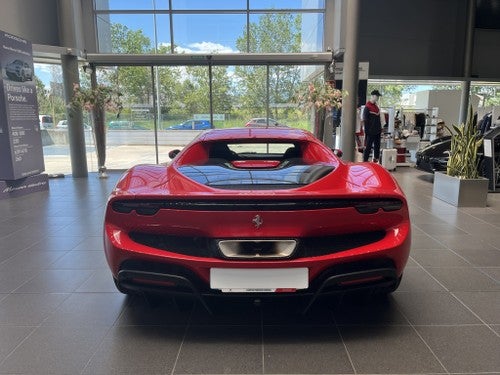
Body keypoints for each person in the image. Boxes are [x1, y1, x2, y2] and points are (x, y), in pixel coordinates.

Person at [362, 90, 383, 162]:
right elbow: (365, 120)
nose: (378, 98)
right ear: (373, 96)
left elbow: (378, 119)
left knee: (377, 146)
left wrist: (380, 128)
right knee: (368, 147)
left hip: (377, 130)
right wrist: (367, 131)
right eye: (377, 96)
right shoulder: (367, 107)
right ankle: (365, 161)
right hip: (370, 131)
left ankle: (376, 160)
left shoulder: (376, 107)